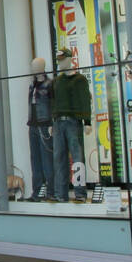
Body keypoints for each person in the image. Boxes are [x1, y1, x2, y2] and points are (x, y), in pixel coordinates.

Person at [51, 48, 92, 203]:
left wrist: (87, 121)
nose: (60, 63)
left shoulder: (79, 80)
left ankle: (80, 193)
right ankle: (60, 193)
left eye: (62, 59)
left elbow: (85, 100)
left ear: (69, 59)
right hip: (58, 122)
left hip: (74, 122)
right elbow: (53, 102)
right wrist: (52, 121)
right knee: (59, 158)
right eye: (58, 60)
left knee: (77, 157)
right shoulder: (57, 81)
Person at [26, 57, 55, 201]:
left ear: (42, 67)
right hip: (33, 125)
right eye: (32, 66)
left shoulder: (49, 84)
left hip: (44, 125)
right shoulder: (32, 85)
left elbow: (53, 104)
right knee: (35, 159)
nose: (33, 68)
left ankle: (51, 191)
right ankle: (36, 192)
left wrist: (52, 124)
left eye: (36, 66)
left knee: (47, 159)